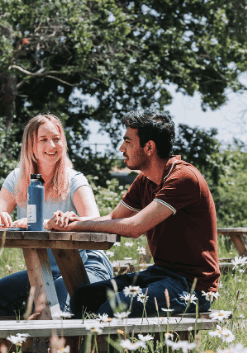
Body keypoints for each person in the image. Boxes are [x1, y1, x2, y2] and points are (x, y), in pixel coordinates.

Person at [47, 110, 218, 318]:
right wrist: (71, 219)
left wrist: (75, 226)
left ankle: (115, 350)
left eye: (128, 142)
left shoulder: (184, 178)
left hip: (193, 287)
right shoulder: (145, 180)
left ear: (149, 147)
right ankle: (80, 350)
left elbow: (135, 227)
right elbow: (113, 218)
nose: (121, 148)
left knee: (116, 306)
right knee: (83, 297)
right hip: (160, 274)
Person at [0, 114, 113, 317]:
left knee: (58, 299)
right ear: (30, 146)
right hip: (44, 269)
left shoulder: (75, 180)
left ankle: (58, 350)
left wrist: (46, 224)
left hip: (86, 264)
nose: (52, 145)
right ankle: (12, 348)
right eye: (43, 139)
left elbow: (95, 221)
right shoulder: (17, 179)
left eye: (56, 138)